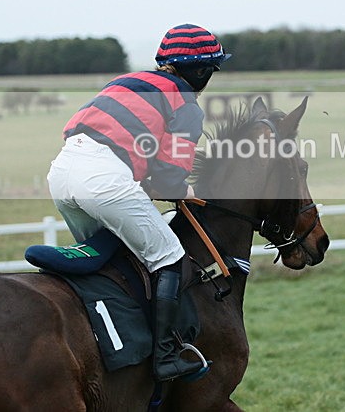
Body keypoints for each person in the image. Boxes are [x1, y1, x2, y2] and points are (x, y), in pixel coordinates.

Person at [46, 24, 231, 381]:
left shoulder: (125, 81)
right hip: (103, 179)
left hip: (62, 171)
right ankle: (166, 358)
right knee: (169, 256)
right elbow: (168, 179)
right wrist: (183, 190)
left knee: (111, 258)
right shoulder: (187, 104)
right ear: (203, 71)